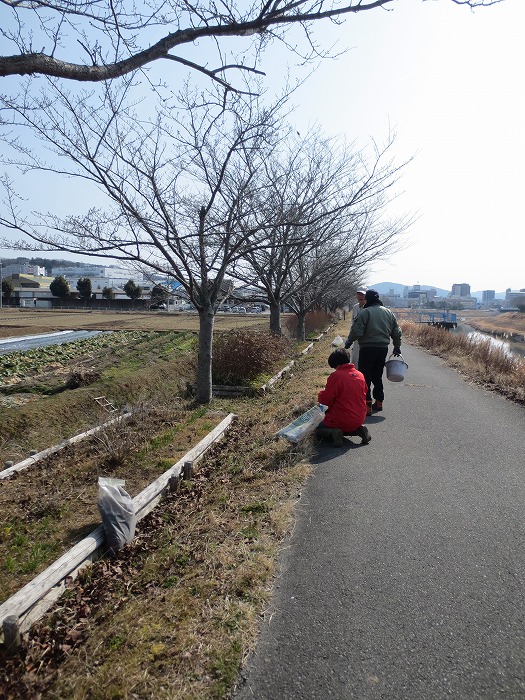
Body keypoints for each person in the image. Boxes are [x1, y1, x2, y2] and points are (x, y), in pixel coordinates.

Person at [345, 289, 402, 416]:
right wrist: (397, 347)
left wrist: (349, 341)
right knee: (377, 375)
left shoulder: (365, 312)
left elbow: (357, 331)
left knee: (365, 377)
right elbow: (397, 332)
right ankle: (379, 402)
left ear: (368, 299)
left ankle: (367, 404)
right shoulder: (388, 313)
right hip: (382, 349)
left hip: (367, 348)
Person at [316, 348, 371, 448]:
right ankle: (360, 430)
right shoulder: (360, 375)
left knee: (318, 429)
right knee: (349, 425)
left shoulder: (336, 376)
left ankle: (333, 433)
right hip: (359, 419)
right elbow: (365, 392)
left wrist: (320, 394)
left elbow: (326, 400)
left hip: (339, 419)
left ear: (336, 364)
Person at [351, 288, 367, 366]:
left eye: (363, 294)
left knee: (364, 363)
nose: (361, 296)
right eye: (359, 294)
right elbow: (352, 322)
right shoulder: (355, 307)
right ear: (356, 295)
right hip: (356, 340)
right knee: (355, 362)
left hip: (366, 340)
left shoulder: (368, 308)